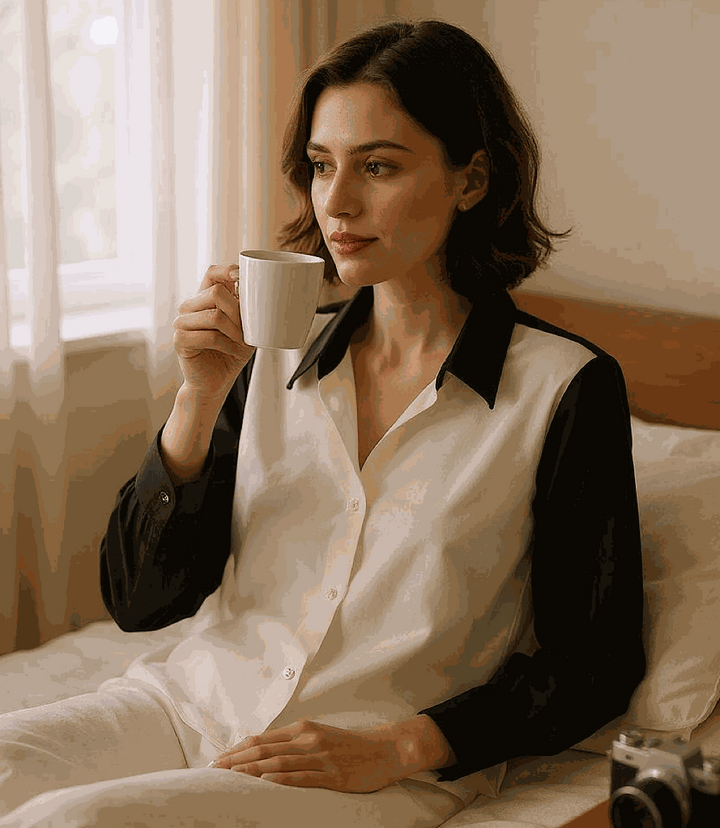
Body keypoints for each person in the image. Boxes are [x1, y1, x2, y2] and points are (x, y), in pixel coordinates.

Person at [0, 18, 645, 828]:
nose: (335, 203)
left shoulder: (565, 388)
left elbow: (595, 663)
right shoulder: (272, 353)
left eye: (378, 166)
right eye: (319, 165)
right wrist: (199, 395)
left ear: (471, 180)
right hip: (187, 705)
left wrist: (402, 747)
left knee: (70, 823)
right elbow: (142, 602)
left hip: (367, 768)